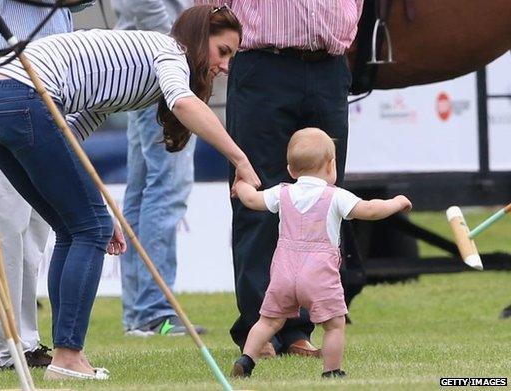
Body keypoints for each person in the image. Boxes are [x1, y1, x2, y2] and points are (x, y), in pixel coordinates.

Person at [0, 5, 259, 380]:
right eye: (223, 52)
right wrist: (240, 160)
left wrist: (99, 207)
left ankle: (66, 353)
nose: (224, 67)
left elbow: (70, 136)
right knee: (88, 228)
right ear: (199, 38)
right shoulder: (170, 52)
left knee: (74, 226)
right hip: (24, 94)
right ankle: (68, 356)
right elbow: (184, 103)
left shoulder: (134, 74)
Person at [196, 0, 365, 357]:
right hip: (263, 64)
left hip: (329, 65)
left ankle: (297, 330)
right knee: (256, 194)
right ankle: (260, 329)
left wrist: (346, 21)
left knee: (321, 201)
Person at [230, 128, 412, 378]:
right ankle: (332, 371)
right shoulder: (335, 196)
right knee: (334, 325)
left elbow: (252, 200)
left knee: (268, 321)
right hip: (318, 275)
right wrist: (397, 202)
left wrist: (240, 185)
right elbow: (369, 210)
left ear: (291, 170)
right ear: (330, 166)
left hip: (283, 273)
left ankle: (247, 359)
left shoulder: (282, 192)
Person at [0, 0, 78, 370]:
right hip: (4, 67)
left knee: (34, 228)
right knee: (4, 221)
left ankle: (25, 340)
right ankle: (2, 345)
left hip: (53, 69)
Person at [111, 0, 206, 337]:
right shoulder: (171, 49)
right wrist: (177, 45)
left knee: (145, 190)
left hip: (143, 62)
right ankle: (154, 311)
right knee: (167, 187)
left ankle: (142, 313)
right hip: (162, 66)